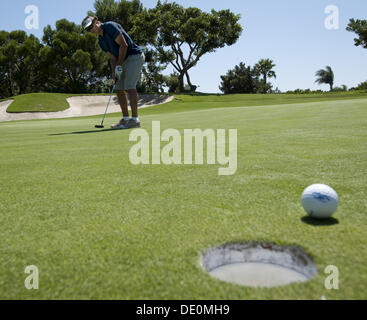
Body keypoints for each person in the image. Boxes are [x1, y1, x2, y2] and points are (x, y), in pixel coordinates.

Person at [81, 16, 145, 129]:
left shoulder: (109, 26)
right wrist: (114, 72)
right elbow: (112, 58)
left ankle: (135, 120)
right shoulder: (100, 41)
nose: (91, 29)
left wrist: (118, 65)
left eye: (91, 26)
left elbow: (123, 45)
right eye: (88, 29)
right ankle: (125, 119)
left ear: (96, 21)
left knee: (129, 86)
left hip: (134, 56)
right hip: (122, 60)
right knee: (118, 88)